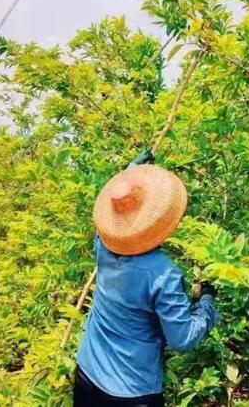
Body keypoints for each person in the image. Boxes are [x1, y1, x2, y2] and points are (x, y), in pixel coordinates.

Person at [74, 153, 219, 407]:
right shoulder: (162, 273)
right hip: (131, 390)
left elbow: (113, 210)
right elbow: (181, 338)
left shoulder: (104, 246)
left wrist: (131, 173)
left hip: (88, 368)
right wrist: (207, 305)